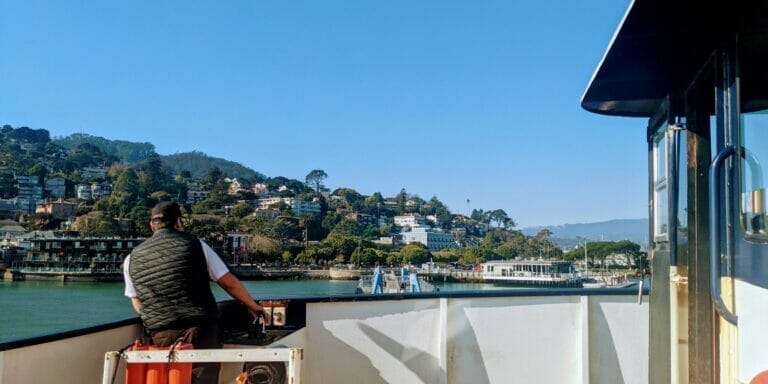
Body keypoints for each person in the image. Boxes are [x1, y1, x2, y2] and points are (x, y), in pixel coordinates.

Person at [123, 201, 265, 383]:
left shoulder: (132, 258)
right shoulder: (195, 245)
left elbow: (136, 299)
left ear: (152, 225)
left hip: (161, 333)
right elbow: (228, 282)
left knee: (172, 378)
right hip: (199, 328)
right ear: (178, 222)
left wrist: (156, 318)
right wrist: (253, 306)